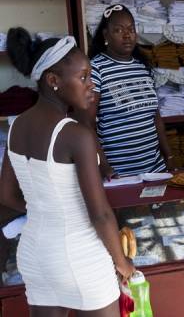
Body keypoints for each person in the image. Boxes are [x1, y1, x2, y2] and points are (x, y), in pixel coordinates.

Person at [0, 27, 135, 316]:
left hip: (35, 254)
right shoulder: (75, 135)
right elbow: (100, 214)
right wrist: (121, 261)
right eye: (84, 77)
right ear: (53, 81)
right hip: (79, 253)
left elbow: (6, 195)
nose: (92, 85)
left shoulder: (16, 127)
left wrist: (45, 210)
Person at [75, 4, 174, 179]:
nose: (127, 35)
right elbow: (86, 122)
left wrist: (168, 155)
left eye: (131, 29)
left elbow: (155, 116)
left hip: (155, 169)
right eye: (118, 30)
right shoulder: (96, 69)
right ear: (106, 35)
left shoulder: (142, 66)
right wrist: (103, 165)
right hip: (119, 174)